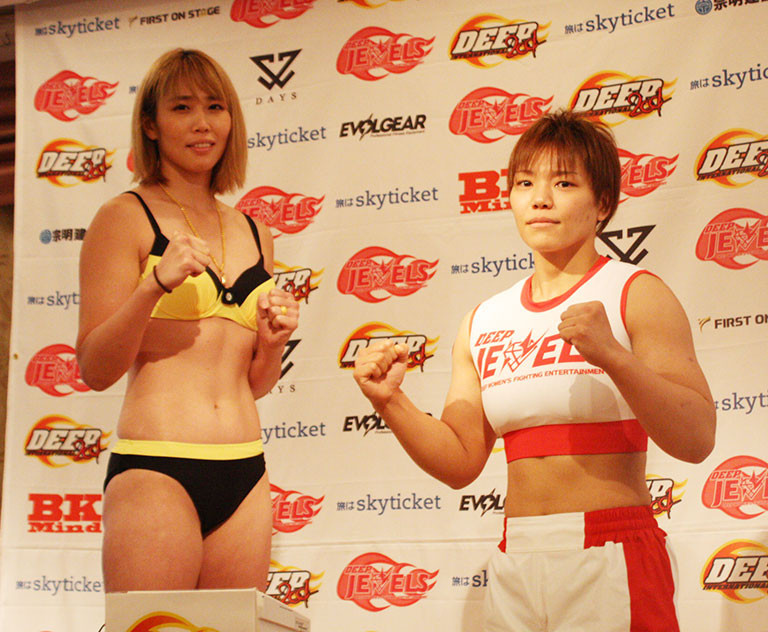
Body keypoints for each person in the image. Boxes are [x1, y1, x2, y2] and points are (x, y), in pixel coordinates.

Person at [353, 109, 715, 631]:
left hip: (612, 546)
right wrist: (390, 401)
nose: (540, 199)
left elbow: (696, 437)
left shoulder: (636, 293)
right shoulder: (483, 319)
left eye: (563, 183)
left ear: (603, 204)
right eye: (525, 183)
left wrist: (613, 356)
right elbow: (459, 462)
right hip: (516, 552)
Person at [76, 49, 299, 592]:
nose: (203, 123)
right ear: (151, 125)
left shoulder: (255, 231)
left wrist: (272, 344)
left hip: (244, 468)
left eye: (215, 107)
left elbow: (252, 383)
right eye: (182, 107)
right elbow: (95, 368)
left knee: (234, 629)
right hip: (157, 467)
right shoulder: (123, 216)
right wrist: (153, 285)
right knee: (154, 626)